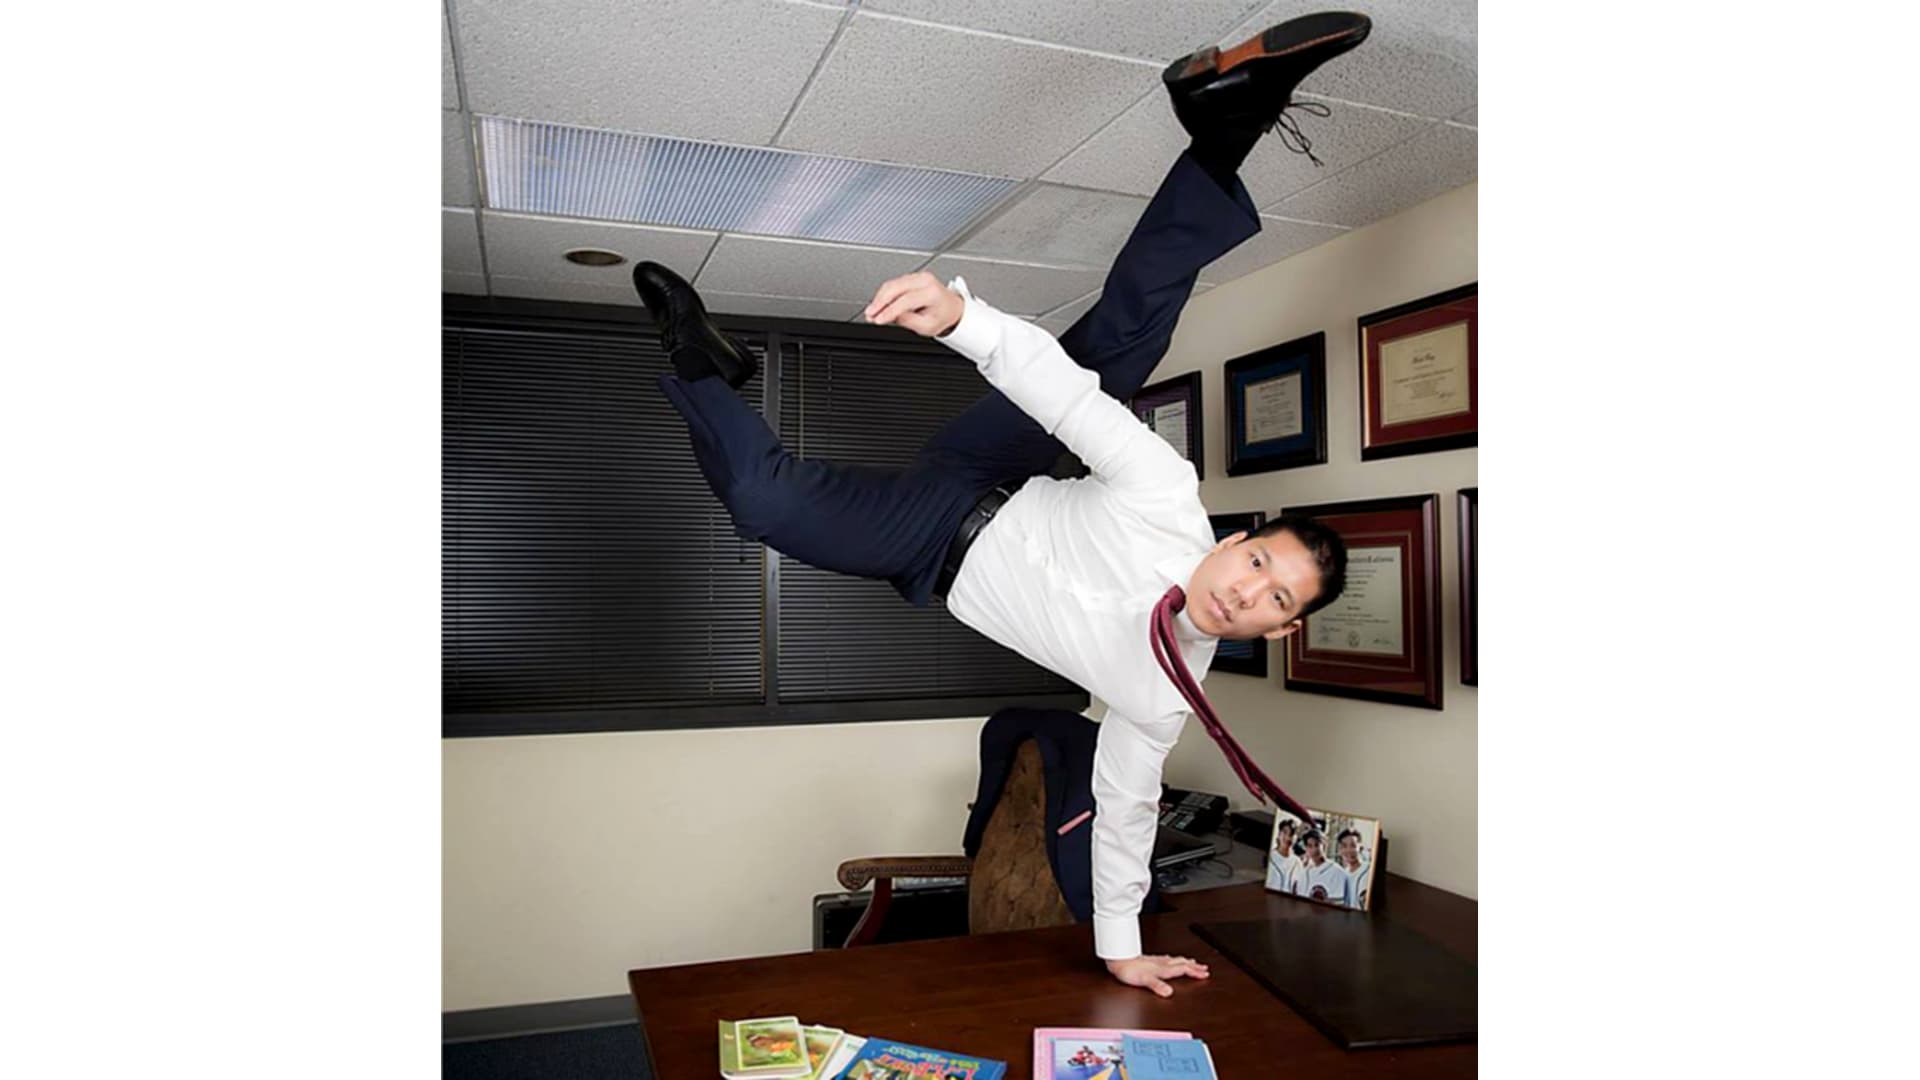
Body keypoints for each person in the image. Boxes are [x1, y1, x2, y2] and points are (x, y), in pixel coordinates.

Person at [634, 12, 1372, 996]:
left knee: (763, 501)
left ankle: (704, 365)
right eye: (1259, 562)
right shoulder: (1167, 499)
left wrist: (1120, 946)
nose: (1249, 590)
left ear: (1279, 631)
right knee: (1114, 350)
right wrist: (964, 319)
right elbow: (1067, 400)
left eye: (1277, 600)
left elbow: (1125, 809)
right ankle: (1225, 127)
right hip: (1000, 467)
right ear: (1239, 540)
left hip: (929, 543)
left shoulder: (1164, 697)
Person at [1291, 828, 1353, 906]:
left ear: (1324, 845)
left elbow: (1338, 906)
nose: (1314, 850)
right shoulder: (1303, 873)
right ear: (1306, 848)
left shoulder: (1337, 872)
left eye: (1317, 845)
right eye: (1310, 846)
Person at [1335, 827, 1372, 909]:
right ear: (1340, 850)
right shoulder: (1343, 874)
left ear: (1360, 848)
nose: (1349, 850)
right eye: (1344, 846)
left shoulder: (1370, 870)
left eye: (1353, 845)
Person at [1266, 817, 1302, 893]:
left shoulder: (1297, 862)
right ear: (1279, 834)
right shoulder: (1270, 857)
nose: (1288, 837)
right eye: (1285, 832)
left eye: (1292, 834)